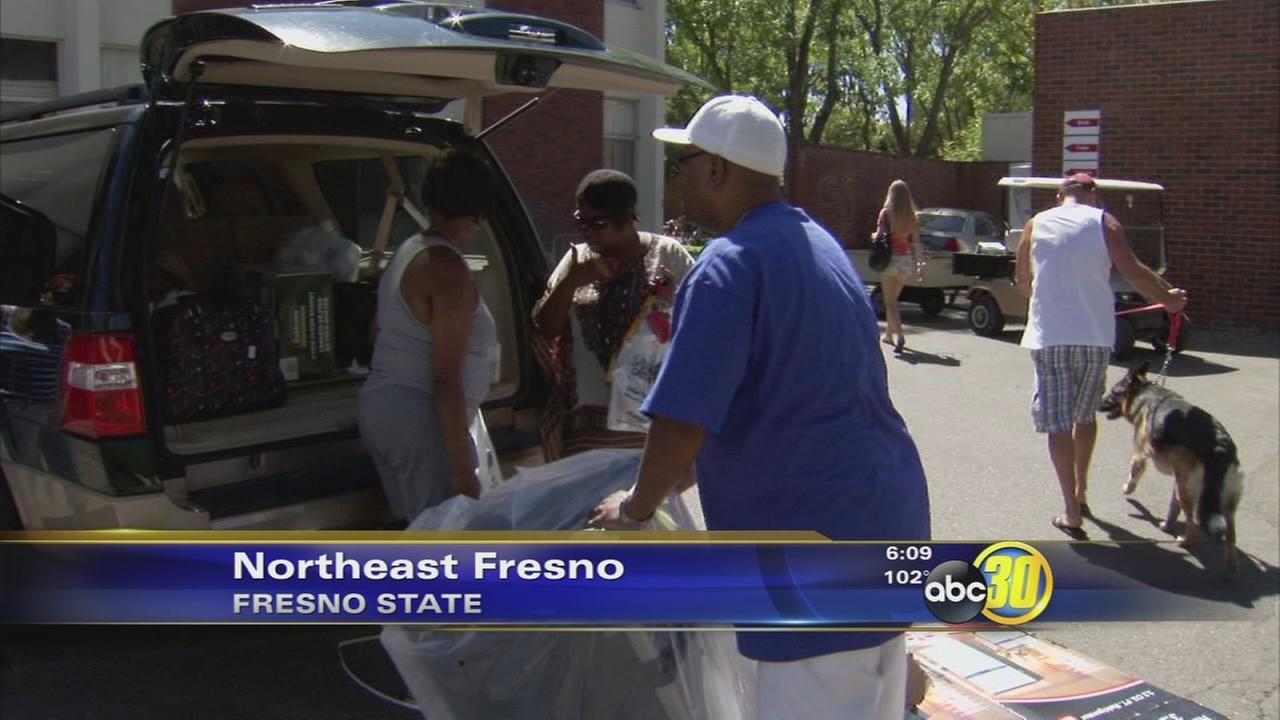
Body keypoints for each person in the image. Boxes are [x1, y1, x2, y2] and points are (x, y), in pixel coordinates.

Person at [586, 95, 931, 720]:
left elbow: (683, 419)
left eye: (684, 161)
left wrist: (636, 509)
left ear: (717, 170)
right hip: (886, 520)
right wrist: (694, 469)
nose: (677, 178)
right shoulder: (817, 244)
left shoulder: (728, 265)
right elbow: (795, 391)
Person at [1015, 172, 1187, 532]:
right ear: (1093, 194)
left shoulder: (1035, 223)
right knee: (1084, 416)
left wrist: (1047, 292)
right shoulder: (1105, 221)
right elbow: (1135, 272)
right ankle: (1081, 489)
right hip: (1094, 336)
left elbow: (1022, 283)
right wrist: (1168, 299)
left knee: (1058, 424)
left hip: (1050, 337)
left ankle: (1071, 510)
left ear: (1062, 194)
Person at [357, 148, 499, 522]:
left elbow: (377, 331)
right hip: (419, 418)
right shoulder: (448, 270)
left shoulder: (408, 250)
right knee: (445, 541)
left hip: (383, 407)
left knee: (418, 534)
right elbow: (445, 379)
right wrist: (463, 469)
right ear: (479, 214)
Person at [531, 169, 694, 461]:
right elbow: (544, 329)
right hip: (585, 431)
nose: (588, 231)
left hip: (648, 428)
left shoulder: (669, 255)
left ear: (628, 216)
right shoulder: (577, 260)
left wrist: (669, 300)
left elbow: (699, 332)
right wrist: (571, 283)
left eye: (598, 223)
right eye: (581, 221)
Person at [876, 180, 925, 352]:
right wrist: (920, 264)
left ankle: (900, 336)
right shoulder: (912, 215)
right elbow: (917, 243)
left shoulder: (886, 214)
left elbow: (879, 236)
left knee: (890, 302)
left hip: (890, 259)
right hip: (905, 260)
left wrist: (874, 235)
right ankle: (889, 334)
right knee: (893, 300)